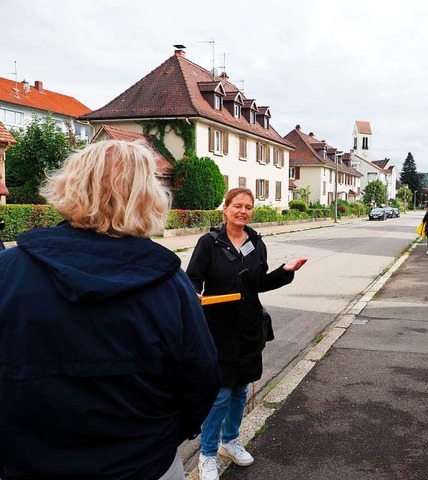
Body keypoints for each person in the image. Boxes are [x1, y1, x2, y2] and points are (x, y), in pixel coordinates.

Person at [0, 140, 221, 479]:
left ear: (69, 185)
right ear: (148, 197)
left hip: (26, 464)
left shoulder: (8, 270)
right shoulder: (170, 286)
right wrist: (160, 439)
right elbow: (201, 380)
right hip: (142, 465)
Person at [186, 187, 307, 480]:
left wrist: (285, 271)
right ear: (225, 209)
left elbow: (259, 283)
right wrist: (195, 297)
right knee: (221, 392)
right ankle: (208, 453)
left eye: (248, 207)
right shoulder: (209, 243)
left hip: (250, 327)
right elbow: (191, 279)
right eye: (237, 205)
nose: (243, 211)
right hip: (218, 328)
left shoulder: (256, 242)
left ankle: (231, 441)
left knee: (240, 390)